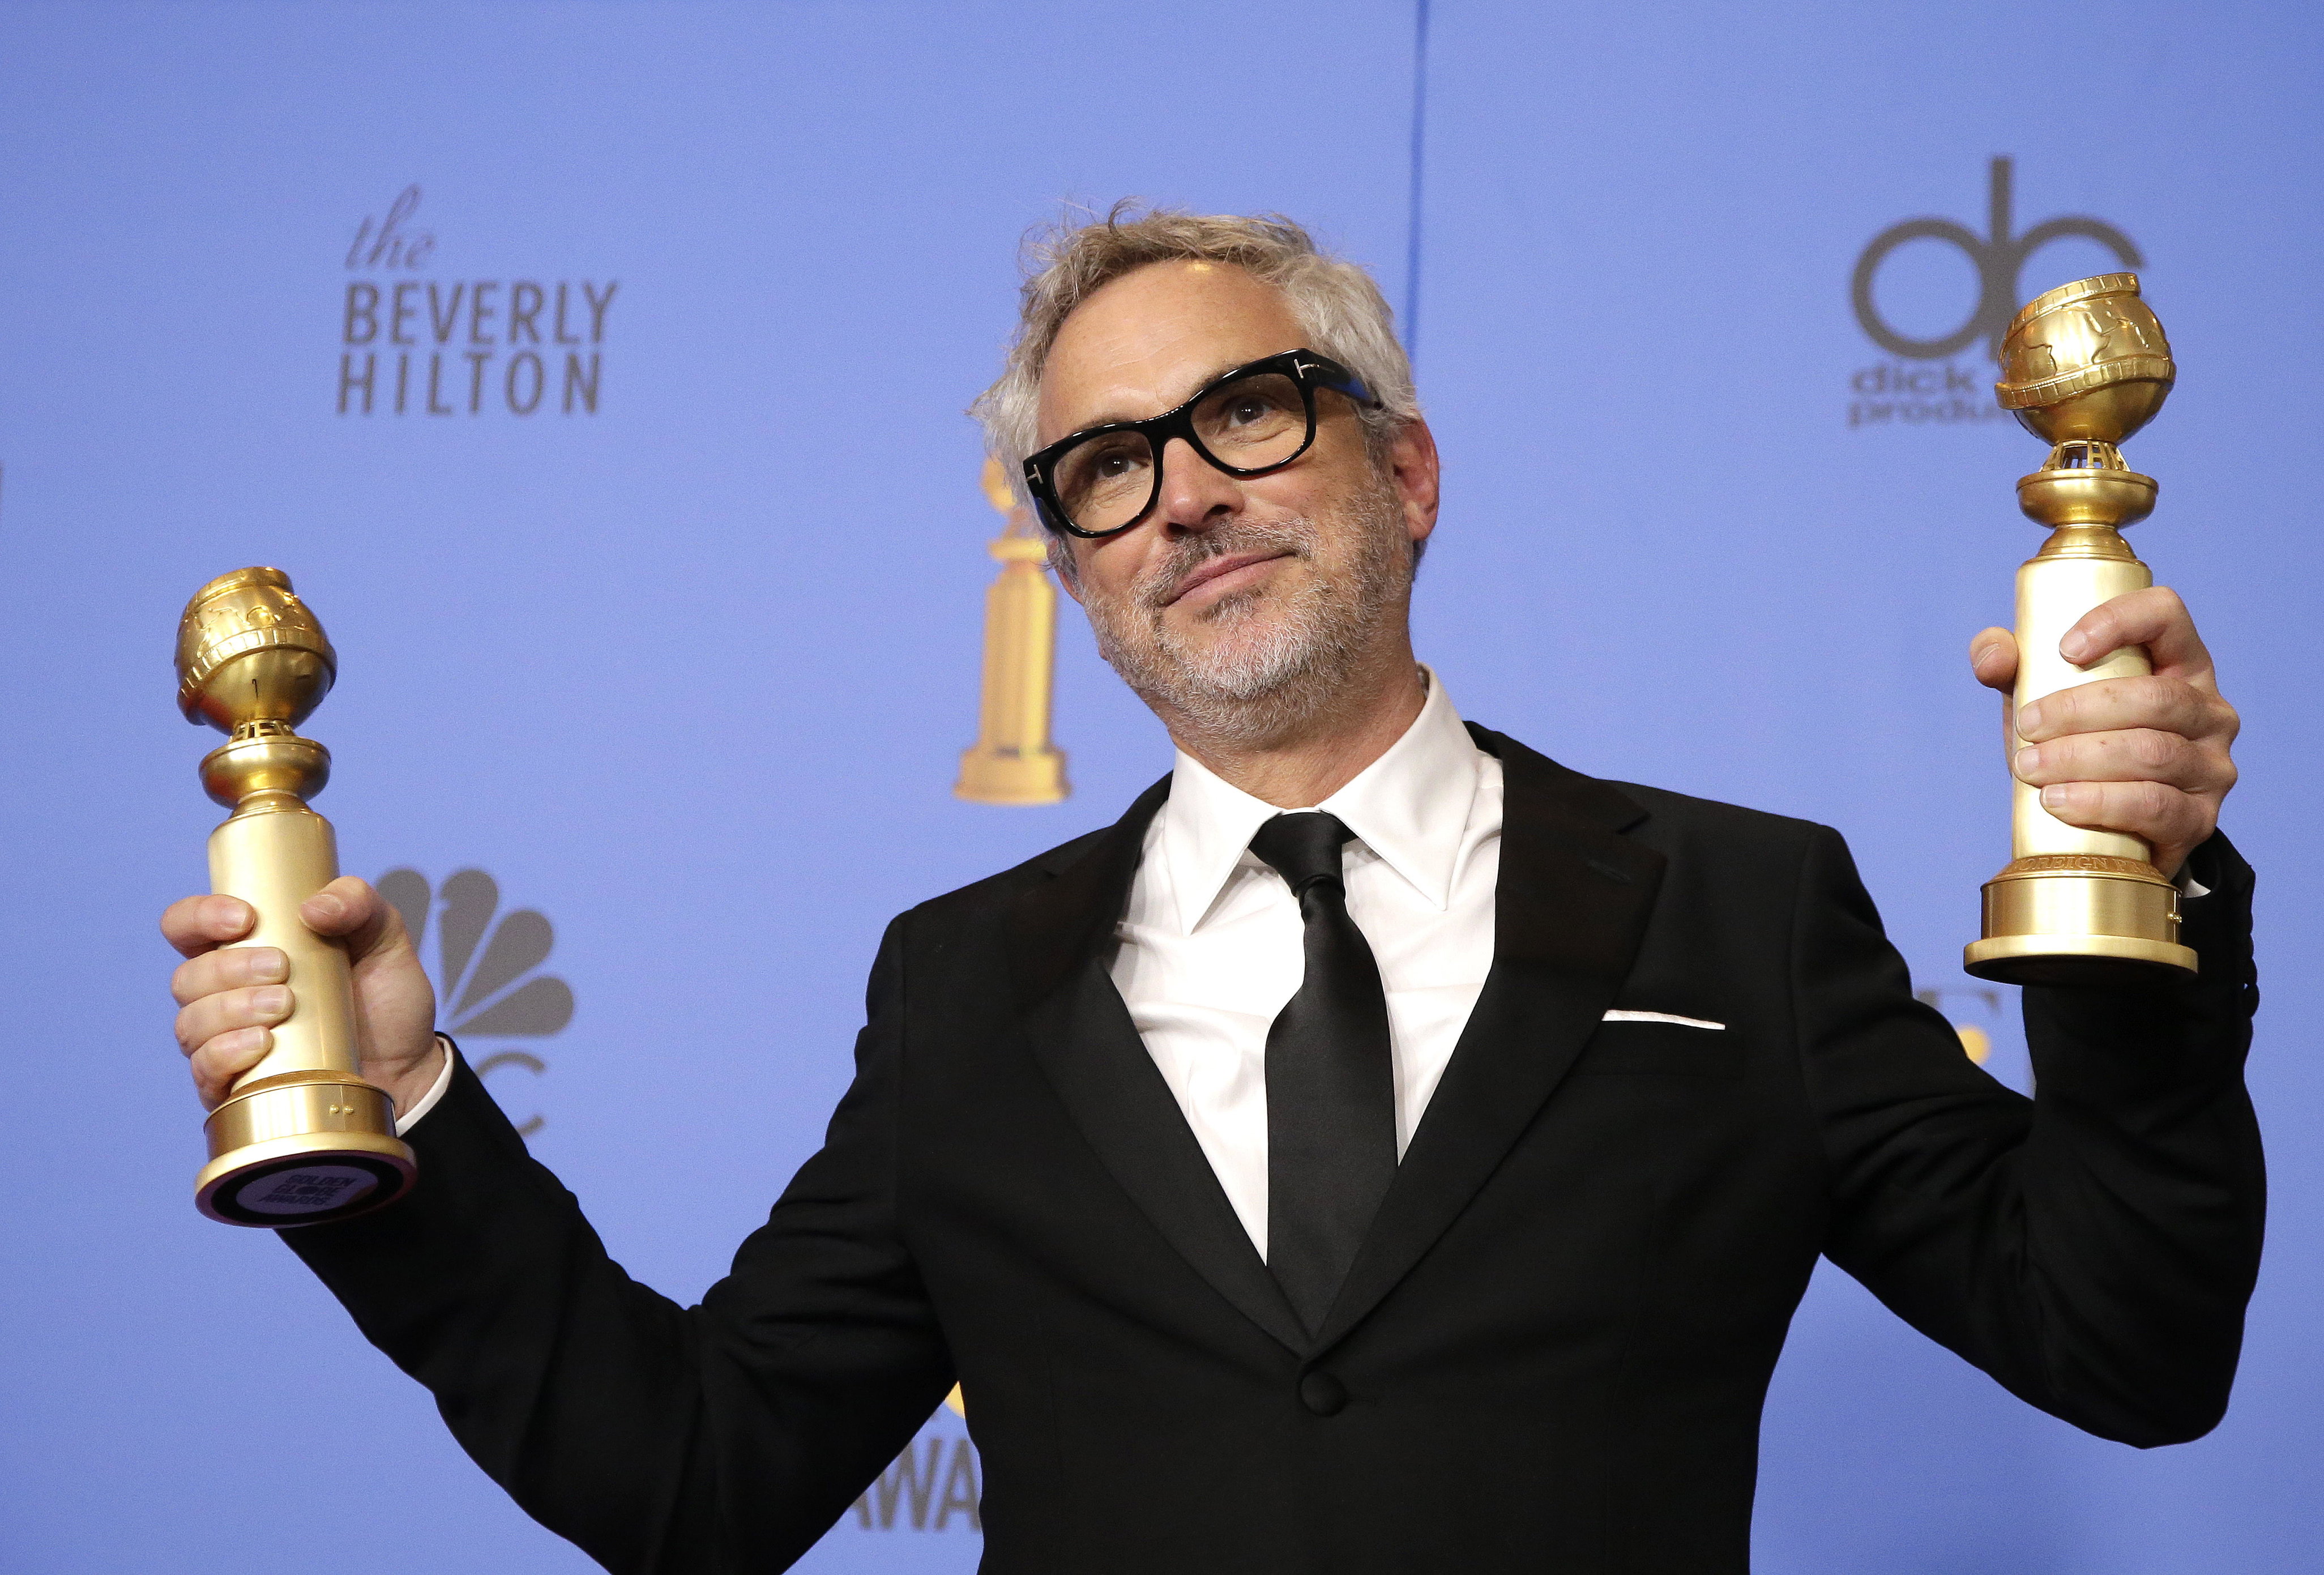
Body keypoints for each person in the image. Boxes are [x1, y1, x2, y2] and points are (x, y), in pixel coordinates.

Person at [162, 208, 2259, 1574]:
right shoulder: (966, 986)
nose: (1184, 496)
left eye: (1248, 410)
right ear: (1072, 572)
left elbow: (2127, 1344)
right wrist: (406, 1122)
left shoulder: (1739, 906)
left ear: (1403, 474)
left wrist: (2137, 902)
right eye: (1105, 466)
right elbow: (693, 1478)